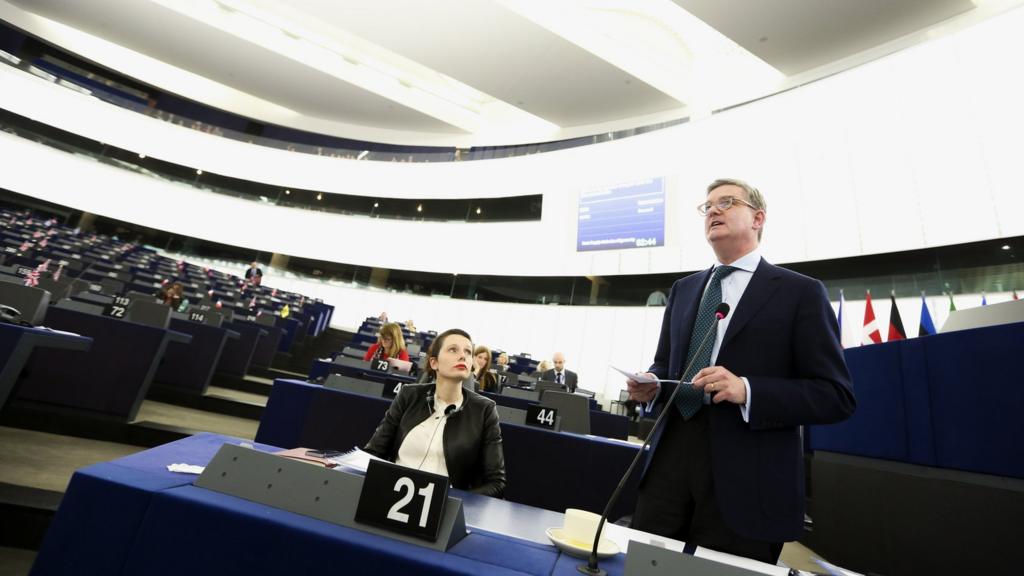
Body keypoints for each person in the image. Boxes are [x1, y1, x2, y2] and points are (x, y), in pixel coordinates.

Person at [625, 178, 856, 564]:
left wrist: (748, 390)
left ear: (758, 218)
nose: (713, 210)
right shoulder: (684, 289)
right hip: (668, 469)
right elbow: (665, 365)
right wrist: (653, 385)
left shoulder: (800, 293)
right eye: (708, 206)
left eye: (727, 202)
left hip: (748, 480)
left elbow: (836, 395)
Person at [364, 328, 506, 497]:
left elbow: (496, 483)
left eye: (468, 352)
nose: (463, 356)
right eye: (453, 349)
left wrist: (454, 502)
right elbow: (373, 452)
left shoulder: (485, 410)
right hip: (389, 496)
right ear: (434, 363)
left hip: (444, 509)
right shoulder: (409, 395)